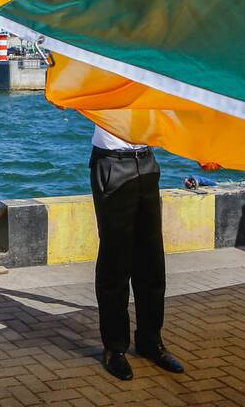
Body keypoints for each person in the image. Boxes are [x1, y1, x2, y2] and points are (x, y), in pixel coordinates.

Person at [89, 124, 184, 380]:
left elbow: (174, 109)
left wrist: (203, 152)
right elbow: (69, 92)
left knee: (151, 261)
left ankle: (150, 342)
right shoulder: (107, 81)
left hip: (147, 162)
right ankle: (114, 348)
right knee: (115, 262)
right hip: (112, 164)